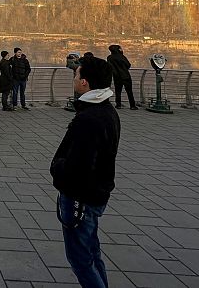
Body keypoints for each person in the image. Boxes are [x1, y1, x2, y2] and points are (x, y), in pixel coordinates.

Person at [51, 56, 120, 288]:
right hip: (95, 194)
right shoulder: (107, 112)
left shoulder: (89, 119)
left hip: (81, 198)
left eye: (76, 74)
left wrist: (57, 166)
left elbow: (76, 168)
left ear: (85, 83)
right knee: (91, 252)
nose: (74, 77)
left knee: (81, 260)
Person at [107, 45, 138, 110]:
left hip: (117, 77)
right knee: (129, 91)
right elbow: (128, 65)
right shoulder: (122, 57)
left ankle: (118, 105)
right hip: (126, 76)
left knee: (118, 91)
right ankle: (132, 105)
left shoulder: (109, 57)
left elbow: (109, 67)